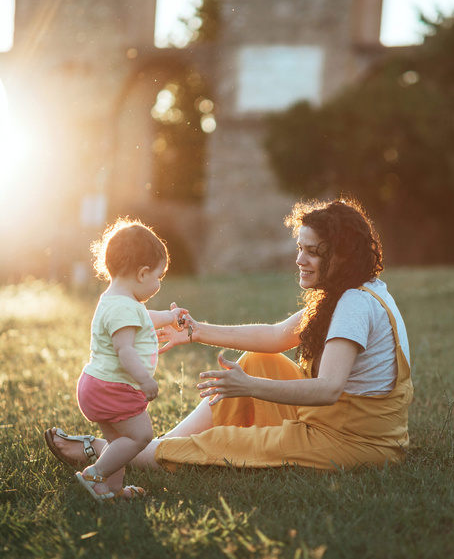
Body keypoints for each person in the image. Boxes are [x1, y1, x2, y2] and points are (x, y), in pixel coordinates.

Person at [46, 198, 413, 475]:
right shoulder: (349, 292)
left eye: (313, 252)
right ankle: (156, 449)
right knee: (259, 360)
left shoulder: (353, 304)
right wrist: (195, 331)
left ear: (342, 256)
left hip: (353, 441)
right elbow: (275, 336)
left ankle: (104, 450)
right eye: (299, 248)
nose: (300, 259)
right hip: (336, 420)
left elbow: (328, 389)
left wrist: (248, 386)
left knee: (225, 444)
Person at [46, 218, 188, 502]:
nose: (159, 283)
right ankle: (93, 474)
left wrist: (170, 318)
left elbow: (146, 318)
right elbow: (125, 351)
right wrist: (145, 379)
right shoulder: (124, 307)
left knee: (118, 441)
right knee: (140, 437)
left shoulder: (118, 300)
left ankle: (109, 490)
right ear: (142, 273)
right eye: (158, 277)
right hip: (113, 387)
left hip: (97, 385)